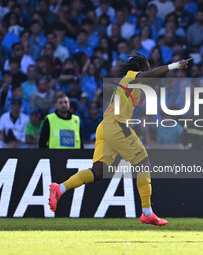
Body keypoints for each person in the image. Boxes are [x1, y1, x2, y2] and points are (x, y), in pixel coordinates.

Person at [48, 53, 192, 226]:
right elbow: (150, 74)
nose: (147, 70)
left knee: (98, 172)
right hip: (116, 126)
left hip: (105, 127)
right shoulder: (132, 76)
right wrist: (176, 65)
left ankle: (60, 188)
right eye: (146, 67)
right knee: (142, 162)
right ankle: (147, 212)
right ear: (140, 67)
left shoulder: (128, 82)